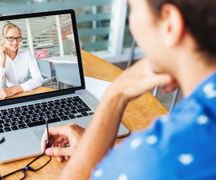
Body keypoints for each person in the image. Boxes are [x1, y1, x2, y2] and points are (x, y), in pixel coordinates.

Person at [41, 0, 216, 179]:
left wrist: (115, 94)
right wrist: (96, 144)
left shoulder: (155, 161)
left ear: (170, 23)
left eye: (132, 8)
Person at [0, 22, 43, 99]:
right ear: (4, 39)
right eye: (11, 38)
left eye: (18, 38)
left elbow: (39, 79)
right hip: (11, 97)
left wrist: (15, 89)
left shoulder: (26, 53)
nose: (15, 42)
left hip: (27, 93)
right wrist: (3, 58)